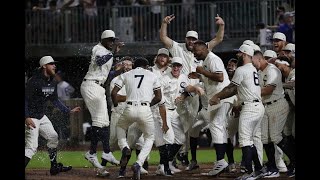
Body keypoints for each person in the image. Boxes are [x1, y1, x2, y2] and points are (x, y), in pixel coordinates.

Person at [160, 13, 226, 169]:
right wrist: (164, 23)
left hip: (197, 92)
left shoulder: (202, 50)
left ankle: (182, 154)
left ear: (198, 42)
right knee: (178, 124)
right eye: (189, 38)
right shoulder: (178, 47)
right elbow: (164, 38)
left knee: (191, 126)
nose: (191, 41)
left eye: (193, 39)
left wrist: (221, 26)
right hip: (179, 91)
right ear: (185, 39)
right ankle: (176, 155)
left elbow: (218, 39)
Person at [209, 44, 265, 179]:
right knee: (249, 140)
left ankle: (248, 172)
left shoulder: (242, 69)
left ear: (245, 54)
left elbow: (231, 89)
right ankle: (258, 169)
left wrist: (217, 96)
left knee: (245, 141)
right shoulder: (252, 69)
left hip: (250, 108)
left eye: (239, 54)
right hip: (257, 107)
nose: (237, 56)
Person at [25, 55, 81, 175]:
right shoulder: (34, 81)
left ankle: (54, 167)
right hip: (31, 117)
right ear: (44, 66)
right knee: (31, 147)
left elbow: (55, 100)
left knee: (53, 137)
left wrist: (68, 110)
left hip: (41, 116)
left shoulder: (52, 82)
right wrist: (26, 117)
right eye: (51, 64)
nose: (54, 66)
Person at [111, 57, 163, 180]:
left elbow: (113, 93)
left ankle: (124, 147)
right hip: (145, 109)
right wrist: (147, 105)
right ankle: (138, 163)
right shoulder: (152, 75)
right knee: (150, 137)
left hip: (129, 108)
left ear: (134, 66)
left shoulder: (127, 74)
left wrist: (116, 104)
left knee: (120, 127)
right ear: (146, 66)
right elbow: (159, 97)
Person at [80, 29, 123, 177]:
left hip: (99, 86)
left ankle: (106, 152)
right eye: (110, 40)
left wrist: (116, 69)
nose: (112, 42)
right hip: (91, 85)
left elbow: (105, 74)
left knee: (104, 123)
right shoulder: (98, 49)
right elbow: (99, 61)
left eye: (113, 40)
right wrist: (113, 53)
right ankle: (92, 153)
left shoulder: (107, 52)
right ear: (103, 40)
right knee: (99, 121)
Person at [191, 40, 236, 176]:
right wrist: (199, 76)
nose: (194, 54)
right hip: (218, 97)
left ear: (204, 49)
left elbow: (220, 77)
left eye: (196, 51)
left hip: (222, 96)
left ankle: (221, 161)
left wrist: (202, 71)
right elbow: (211, 79)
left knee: (216, 125)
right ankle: (221, 161)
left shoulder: (212, 59)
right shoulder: (206, 61)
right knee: (219, 128)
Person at [253, 51, 295, 178]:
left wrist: (250, 92)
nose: (253, 64)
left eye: (254, 61)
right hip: (266, 106)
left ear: (259, 59)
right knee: (265, 138)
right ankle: (272, 168)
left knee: (276, 136)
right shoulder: (259, 72)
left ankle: (294, 162)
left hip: (278, 104)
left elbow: (268, 89)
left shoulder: (272, 70)